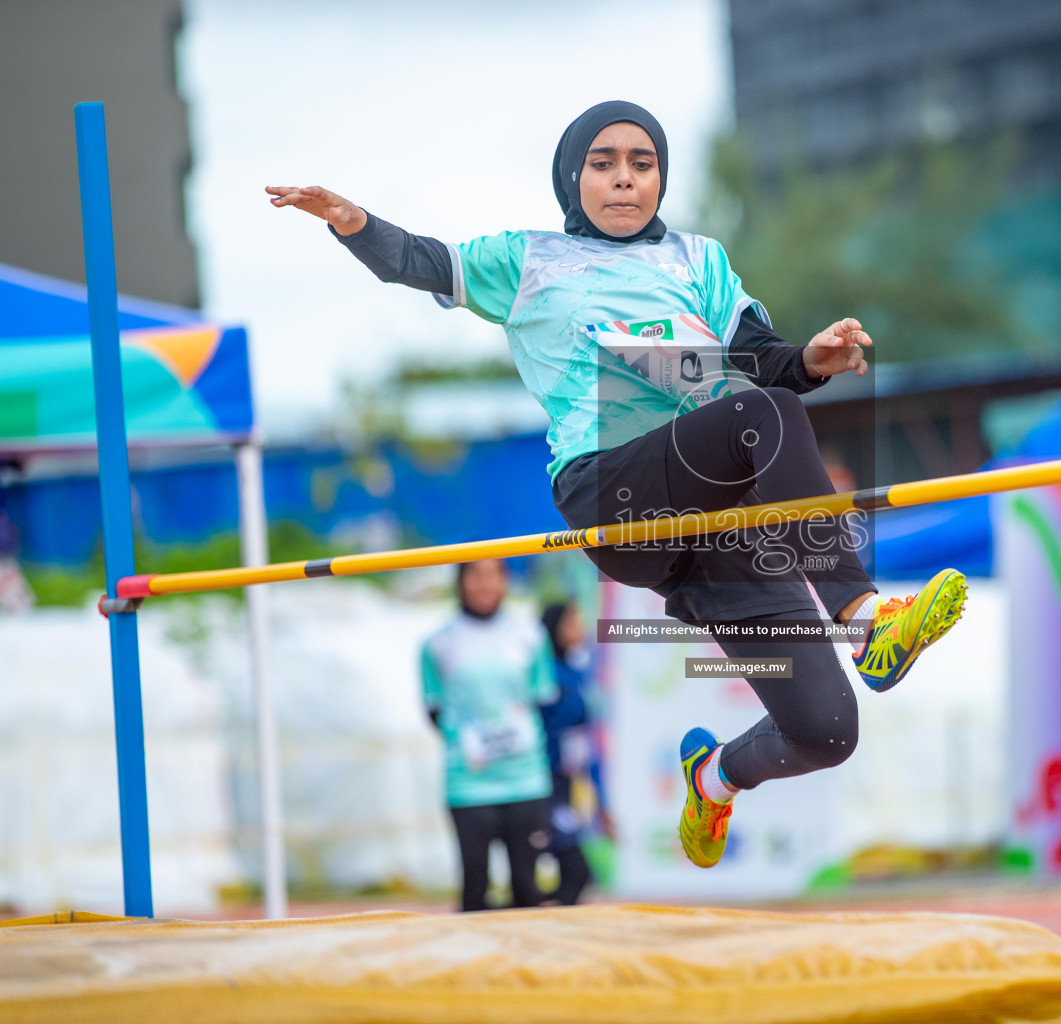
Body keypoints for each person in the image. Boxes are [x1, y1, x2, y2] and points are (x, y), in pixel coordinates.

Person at [267, 100, 968, 871]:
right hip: (614, 493)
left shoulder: (699, 261)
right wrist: (349, 218)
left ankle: (715, 776)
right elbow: (421, 260)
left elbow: (761, 359)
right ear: (574, 177)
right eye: (604, 164)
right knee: (761, 414)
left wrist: (813, 360)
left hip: (721, 520)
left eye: (643, 163)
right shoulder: (528, 259)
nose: (626, 180)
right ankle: (865, 616)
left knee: (826, 731)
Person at [421, 559, 557, 911]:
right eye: (475, 575)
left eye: (493, 575)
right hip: (468, 785)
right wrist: (473, 743)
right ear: (461, 582)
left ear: (505, 582)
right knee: (474, 887)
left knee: (528, 888)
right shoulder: (437, 643)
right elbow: (433, 710)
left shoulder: (530, 636)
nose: (484, 585)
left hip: (525, 780)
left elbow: (543, 700)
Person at [537, 600, 609, 905]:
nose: (580, 629)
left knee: (576, 874)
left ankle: (541, 921)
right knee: (576, 870)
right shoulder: (543, 675)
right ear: (553, 629)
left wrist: (602, 803)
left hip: (564, 785)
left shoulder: (577, 674)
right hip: (539, 784)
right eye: (571, 623)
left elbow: (584, 745)